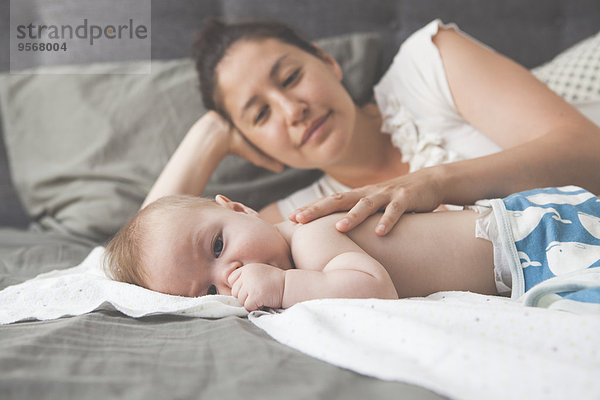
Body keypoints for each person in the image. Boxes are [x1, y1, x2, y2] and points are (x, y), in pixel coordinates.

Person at [143, 18, 600, 238]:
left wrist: (433, 183)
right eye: (260, 115)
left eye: (290, 78)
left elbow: (588, 153)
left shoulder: (429, 63)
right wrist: (206, 137)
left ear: (327, 61)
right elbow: (150, 252)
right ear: (254, 145)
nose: (292, 109)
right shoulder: (305, 215)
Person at [105, 186, 600, 311]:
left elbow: (373, 288)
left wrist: (280, 285)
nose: (230, 273)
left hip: (533, 239)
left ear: (239, 208)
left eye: (217, 244)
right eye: (206, 289)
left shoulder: (309, 235)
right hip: (523, 246)